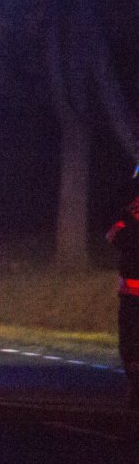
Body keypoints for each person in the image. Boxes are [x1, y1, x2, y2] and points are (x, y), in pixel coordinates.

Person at [104, 164, 139, 409]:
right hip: (131, 288)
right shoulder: (127, 201)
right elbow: (113, 233)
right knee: (130, 344)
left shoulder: (127, 203)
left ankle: (135, 388)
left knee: (130, 343)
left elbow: (114, 234)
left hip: (132, 289)